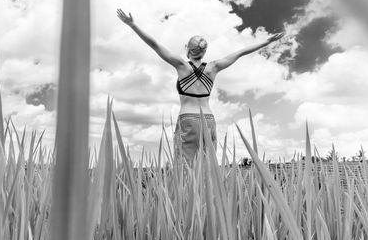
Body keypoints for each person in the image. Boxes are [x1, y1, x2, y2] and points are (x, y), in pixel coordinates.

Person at [116, 8, 284, 164]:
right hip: (208, 119)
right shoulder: (214, 67)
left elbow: (154, 44)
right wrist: (266, 42)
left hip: (188, 118)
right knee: (207, 166)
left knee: (185, 167)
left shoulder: (182, 66)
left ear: (188, 49)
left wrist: (132, 25)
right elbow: (240, 52)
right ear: (204, 52)